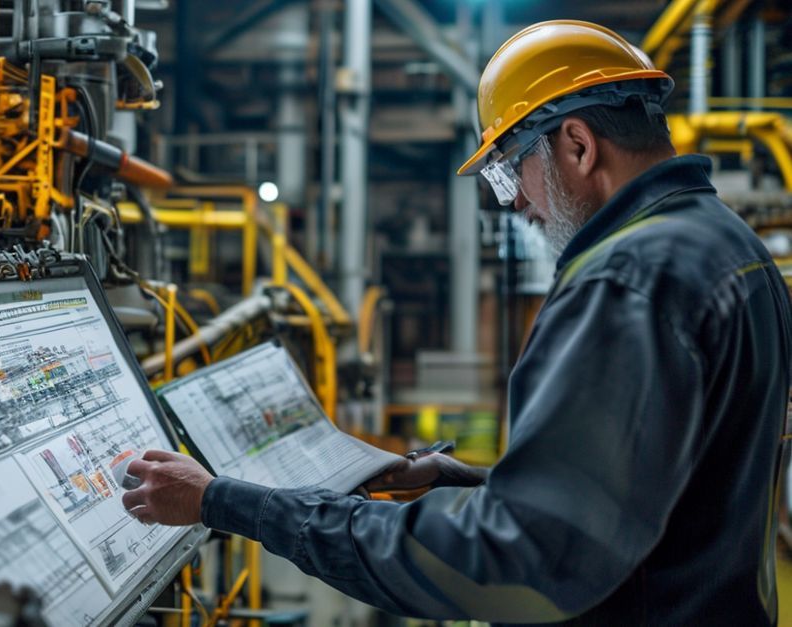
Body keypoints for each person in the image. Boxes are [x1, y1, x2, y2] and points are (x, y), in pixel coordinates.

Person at [123, 20, 792, 625]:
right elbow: (647, 497)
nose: (520, 204)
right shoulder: (729, 246)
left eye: (511, 174)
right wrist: (461, 478)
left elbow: (513, 565)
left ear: (579, 145)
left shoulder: (625, 281)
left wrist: (225, 501)